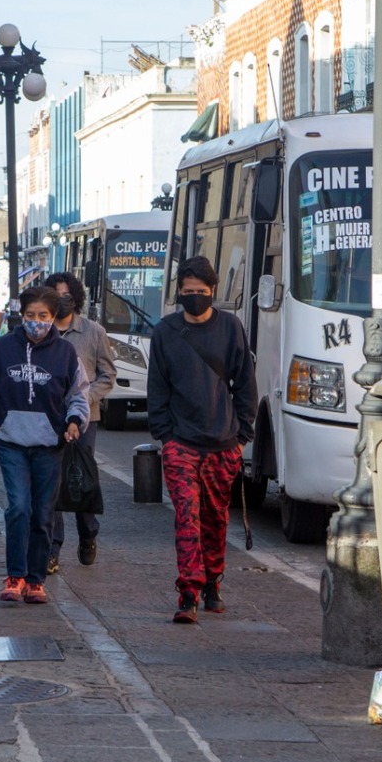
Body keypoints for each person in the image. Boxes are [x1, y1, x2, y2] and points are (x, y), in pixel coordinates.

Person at [148, 256, 257, 625]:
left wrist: (242, 435)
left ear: (213, 292)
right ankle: (189, 591)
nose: (195, 297)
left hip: (223, 442)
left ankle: (213, 581)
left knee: (215, 518)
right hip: (181, 442)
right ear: (179, 292)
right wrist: (165, 436)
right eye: (188, 291)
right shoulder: (165, 332)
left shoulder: (231, 327)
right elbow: (157, 388)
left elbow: (245, 384)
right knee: (186, 516)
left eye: (201, 291)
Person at [0, 286, 89, 605]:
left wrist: (74, 421)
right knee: (18, 508)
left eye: (43, 316)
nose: (36, 322)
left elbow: (78, 394)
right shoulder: (3, 348)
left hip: (49, 444)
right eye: (30, 315)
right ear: (21, 315)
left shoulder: (67, 353)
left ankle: (35, 578)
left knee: (43, 513)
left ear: (54, 317)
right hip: (11, 441)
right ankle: (15, 575)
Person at [42, 272, 116, 572]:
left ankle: (88, 533)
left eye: (66, 295)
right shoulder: (42, 330)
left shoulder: (93, 332)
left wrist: (84, 399)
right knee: (53, 481)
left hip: (85, 419)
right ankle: (53, 547)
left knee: (80, 478)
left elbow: (107, 374)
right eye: (55, 295)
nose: (62, 300)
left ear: (76, 297)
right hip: (48, 418)